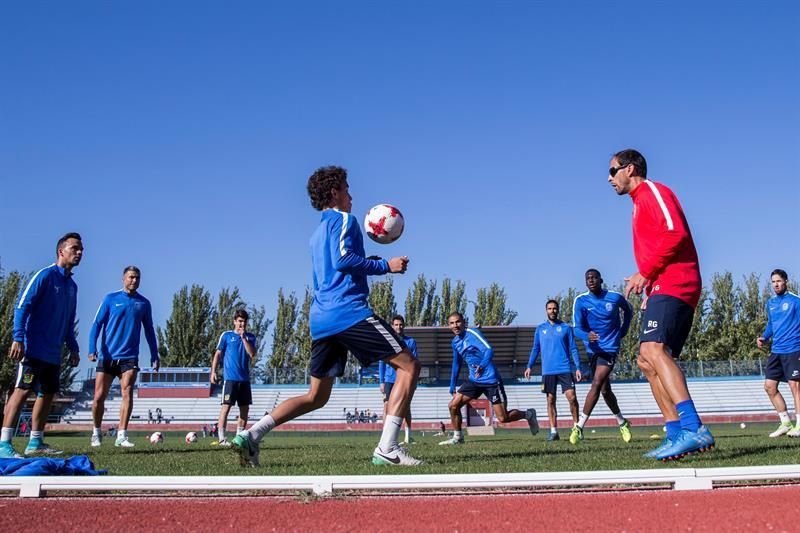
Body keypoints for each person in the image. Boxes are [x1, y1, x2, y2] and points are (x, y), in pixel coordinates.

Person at [233, 165, 422, 466]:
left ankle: (252, 434)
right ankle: (388, 448)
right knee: (409, 366)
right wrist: (387, 265)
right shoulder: (345, 219)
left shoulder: (317, 233)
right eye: (347, 188)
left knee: (316, 397)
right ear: (334, 192)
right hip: (348, 312)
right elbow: (344, 260)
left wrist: (369, 262)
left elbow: (336, 268)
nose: (351, 195)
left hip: (321, 319)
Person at [608, 148, 714, 460]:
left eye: (613, 170)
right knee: (646, 359)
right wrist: (649, 287)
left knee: (654, 351)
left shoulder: (653, 191)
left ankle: (694, 428)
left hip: (677, 280)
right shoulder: (637, 204)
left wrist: (646, 273)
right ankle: (675, 433)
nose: (609, 178)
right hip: (660, 285)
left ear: (629, 169)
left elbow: (675, 233)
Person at [1, 232, 82, 458]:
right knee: (22, 390)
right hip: (33, 349)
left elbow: (68, 319)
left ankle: (35, 442)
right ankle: (4, 443)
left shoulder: (72, 286)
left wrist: (73, 347)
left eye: (81, 250)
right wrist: (18, 337)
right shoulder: (44, 276)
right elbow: (22, 306)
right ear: (61, 251)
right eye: (74, 248)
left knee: (47, 394)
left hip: (53, 353)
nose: (79, 253)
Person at [440, 312, 538, 445]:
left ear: (464, 322)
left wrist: (482, 365)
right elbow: (456, 363)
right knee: (453, 405)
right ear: (448, 325)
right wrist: (452, 384)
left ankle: (528, 414)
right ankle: (458, 437)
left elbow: (489, 350)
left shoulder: (473, 334)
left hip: (491, 380)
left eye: (457, 322)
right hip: (474, 381)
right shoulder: (455, 342)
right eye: (452, 323)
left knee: (503, 418)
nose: (455, 325)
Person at [88, 265, 160, 448]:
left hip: (129, 357)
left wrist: (154, 354)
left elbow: (149, 330)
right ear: (123, 279)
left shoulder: (144, 303)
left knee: (127, 392)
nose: (134, 280)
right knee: (98, 397)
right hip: (107, 356)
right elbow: (96, 324)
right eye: (131, 277)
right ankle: (96, 432)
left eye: (137, 278)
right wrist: (92, 348)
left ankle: (121, 435)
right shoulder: (110, 299)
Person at [570, 268, 634, 444]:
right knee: (605, 390)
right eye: (588, 278)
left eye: (594, 277)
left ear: (601, 279)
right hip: (593, 350)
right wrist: (586, 336)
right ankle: (622, 423)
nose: (591, 280)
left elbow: (629, 310)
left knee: (596, 382)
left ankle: (579, 426)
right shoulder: (581, 301)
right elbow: (577, 328)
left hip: (610, 347)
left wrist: (624, 330)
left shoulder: (614, 297)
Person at [525, 300, 582, 441]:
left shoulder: (566, 328)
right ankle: (553, 431)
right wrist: (529, 366)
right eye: (550, 308)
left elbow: (573, 348)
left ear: (558, 310)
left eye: (555, 308)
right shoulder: (540, 329)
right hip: (548, 371)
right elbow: (535, 349)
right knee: (550, 400)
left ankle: (577, 428)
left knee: (572, 397)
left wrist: (578, 367)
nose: (552, 311)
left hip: (564, 368)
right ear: (546, 311)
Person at [758, 269, 800, 437]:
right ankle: (785, 423)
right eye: (773, 282)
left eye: (778, 281)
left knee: (795, 386)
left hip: (794, 349)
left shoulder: (796, 301)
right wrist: (764, 337)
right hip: (776, 350)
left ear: (786, 282)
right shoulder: (771, 303)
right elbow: (771, 324)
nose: (776, 284)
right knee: (769, 386)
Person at [211, 309, 257, 446]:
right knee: (226, 407)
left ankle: (239, 438)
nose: (242, 324)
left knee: (244, 409)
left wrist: (243, 338)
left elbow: (252, 354)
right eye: (240, 321)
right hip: (230, 379)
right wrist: (213, 371)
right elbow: (218, 354)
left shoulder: (251, 337)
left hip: (244, 380)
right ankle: (221, 438)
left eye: (244, 321)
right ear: (235, 321)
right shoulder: (226, 335)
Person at [379, 315, 419, 444]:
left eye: (400, 324)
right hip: (389, 379)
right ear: (392, 326)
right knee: (386, 406)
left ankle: (408, 435)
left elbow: (414, 362)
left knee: (406, 407)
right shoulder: (387, 341)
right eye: (396, 325)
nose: (398, 327)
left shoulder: (411, 342)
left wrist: (414, 380)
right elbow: (382, 363)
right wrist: (381, 381)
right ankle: (385, 436)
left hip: (404, 378)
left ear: (404, 326)